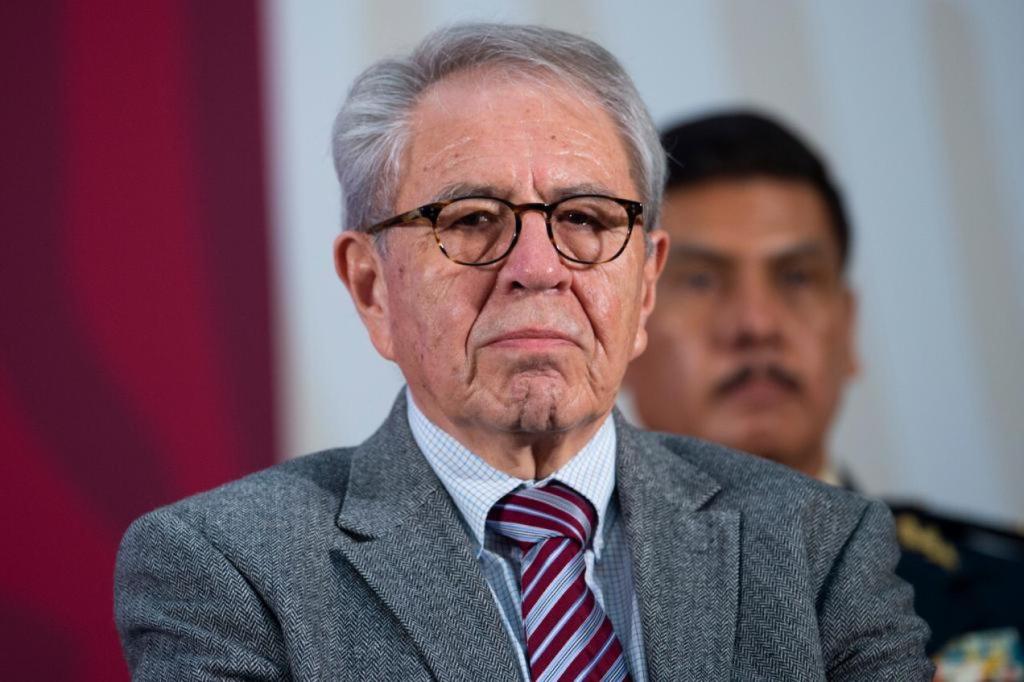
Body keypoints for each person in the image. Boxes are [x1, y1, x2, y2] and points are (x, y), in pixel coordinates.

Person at [114, 26, 932, 680]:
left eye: (585, 218)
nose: (537, 269)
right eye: (471, 219)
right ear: (371, 287)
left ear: (645, 283)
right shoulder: (229, 570)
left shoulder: (818, 545)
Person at [625, 110, 1024, 664]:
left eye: (797, 277)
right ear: (625, 326)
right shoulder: (557, 610)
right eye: (699, 280)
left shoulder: (1007, 591)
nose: (757, 324)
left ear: (848, 328)